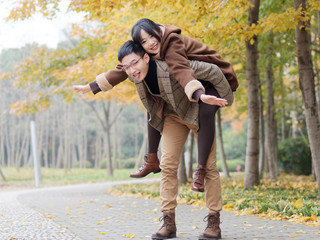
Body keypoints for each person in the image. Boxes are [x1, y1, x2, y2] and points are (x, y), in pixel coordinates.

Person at [75, 40, 228, 239]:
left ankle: (214, 220)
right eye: (127, 66)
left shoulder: (168, 65)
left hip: (197, 112)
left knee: (209, 165)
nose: (131, 70)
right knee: (168, 165)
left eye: (134, 63)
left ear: (146, 57)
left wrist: (212, 94)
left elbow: (192, 74)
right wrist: (90, 87)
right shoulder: (134, 73)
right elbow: (116, 75)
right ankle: (168, 221)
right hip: (174, 116)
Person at [74, 18, 237, 193]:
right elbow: (123, 69)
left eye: (152, 36)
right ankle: (152, 159)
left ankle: (201, 169)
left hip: (217, 81)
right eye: (144, 41)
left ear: (158, 31)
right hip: (197, 81)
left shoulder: (171, 42)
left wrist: (199, 94)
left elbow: (181, 69)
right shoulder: (146, 54)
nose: (151, 43)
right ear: (140, 47)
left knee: (205, 111)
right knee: (154, 105)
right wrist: (91, 86)